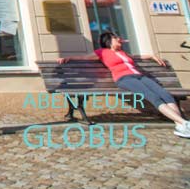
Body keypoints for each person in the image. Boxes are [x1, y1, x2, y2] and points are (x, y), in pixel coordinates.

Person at [59, 31, 189, 138]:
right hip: (124, 78)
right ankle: (184, 123)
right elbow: (84, 57)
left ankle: (180, 125)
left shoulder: (123, 53)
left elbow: (137, 57)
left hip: (140, 76)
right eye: (116, 38)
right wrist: (68, 58)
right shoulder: (102, 52)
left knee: (165, 95)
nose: (119, 39)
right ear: (109, 41)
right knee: (153, 97)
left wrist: (151, 56)